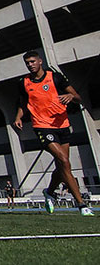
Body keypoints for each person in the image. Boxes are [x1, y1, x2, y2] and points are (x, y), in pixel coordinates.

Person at [14, 50, 93, 217]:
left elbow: (78, 97)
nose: (30, 65)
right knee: (64, 161)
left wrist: (70, 97)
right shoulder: (24, 82)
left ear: (40, 61)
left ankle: (49, 192)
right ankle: (81, 204)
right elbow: (23, 103)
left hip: (62, 125)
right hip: (42, 126)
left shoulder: (55, 77)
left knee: (61, 165)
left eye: (33, 61)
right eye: (27, 63)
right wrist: (18, 117)